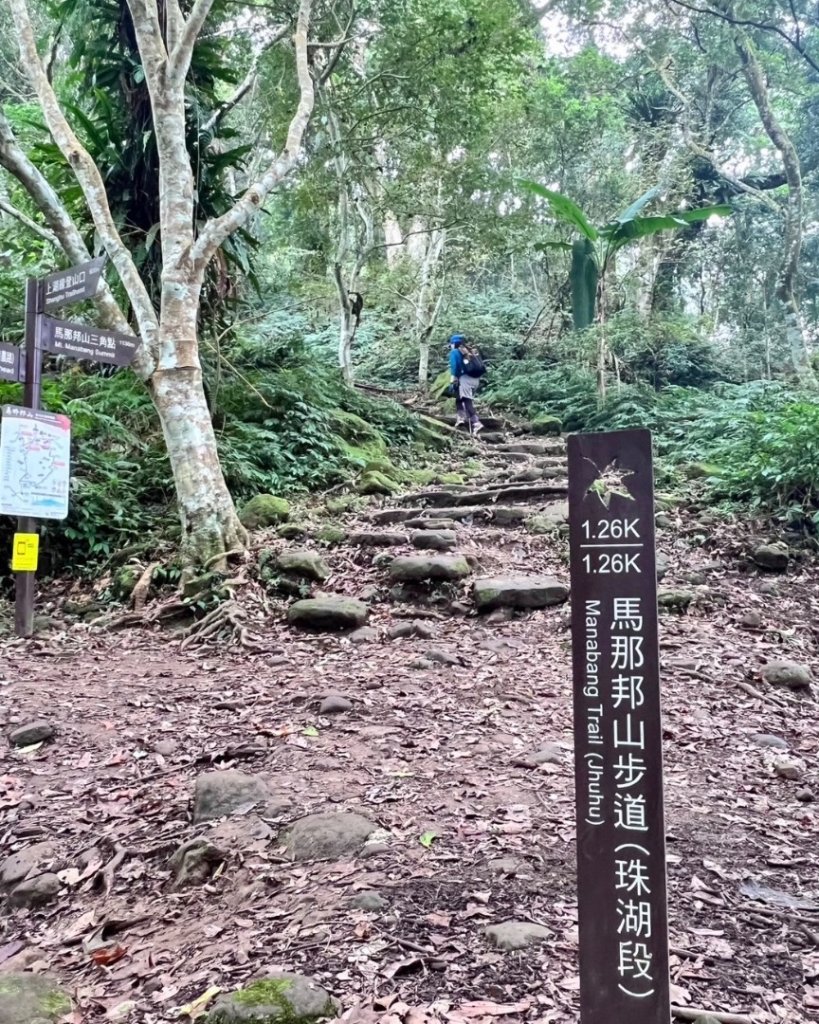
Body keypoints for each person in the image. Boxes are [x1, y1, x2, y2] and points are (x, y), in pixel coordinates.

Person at [448, 334, 484, 434]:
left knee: (467, 401)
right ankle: (460, 419)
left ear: (453, 343)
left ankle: (476, 423)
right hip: (476, 380)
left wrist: (453, 379)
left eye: (451, 344)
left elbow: (455, 367)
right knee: (459, 397)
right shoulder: (469, 350)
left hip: (465, 379)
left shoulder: (455, 352)